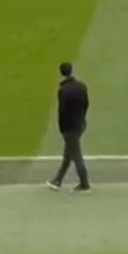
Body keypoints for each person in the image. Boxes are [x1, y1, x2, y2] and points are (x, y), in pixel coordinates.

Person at [48, 62, 91, 193]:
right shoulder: (82, 86)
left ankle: (84, 183)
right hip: (80, 124)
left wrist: (62, 127)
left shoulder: (63, 90)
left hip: (69, 127)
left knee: (76, 155)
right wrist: (82, 119)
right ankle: (57, 180)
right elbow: (86, 104)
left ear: (61, 73)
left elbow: (62, 111)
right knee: (69, 153)